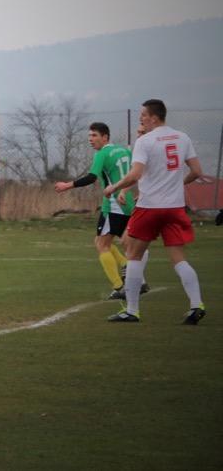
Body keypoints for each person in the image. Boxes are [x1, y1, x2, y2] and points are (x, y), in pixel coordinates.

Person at [104, 99, 206, 324]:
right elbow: (197, 171)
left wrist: (114, 187)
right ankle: (196, 305)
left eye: (143, 114)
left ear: (154, 117)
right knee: (178, 258)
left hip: (149, 207)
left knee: (133, 255)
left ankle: (132, 311)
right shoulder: (182, 137)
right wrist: (177, 185)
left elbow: (135, 174)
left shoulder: (145, 141)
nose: (141, 118)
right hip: (174, 208)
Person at [54, 122, 148, 299]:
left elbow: (91, 177)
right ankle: (130, 270)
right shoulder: (124, 151)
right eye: (89, 136)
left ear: (105, 137)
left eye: (94, 135)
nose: (91, 139)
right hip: (128, 203)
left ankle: (119, 286)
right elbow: (136, 174)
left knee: (101, 244)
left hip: (113, 205)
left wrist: (67, 185)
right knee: (110, 242)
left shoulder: (102, 154)